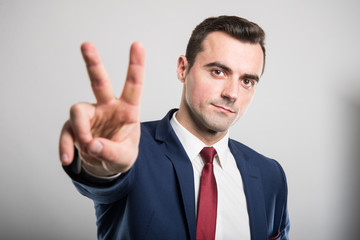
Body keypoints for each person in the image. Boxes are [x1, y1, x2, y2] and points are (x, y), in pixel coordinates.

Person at [59, 15, 290, 240]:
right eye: (218, 72)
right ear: (182, 69)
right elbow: (102, 178)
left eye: (247, 81)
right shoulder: (130, 146)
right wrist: (99, 163)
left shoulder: (270, 175)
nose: (232, 93)